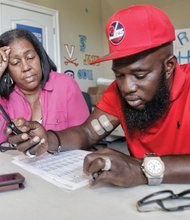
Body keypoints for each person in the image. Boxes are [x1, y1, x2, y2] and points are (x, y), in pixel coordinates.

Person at [5, 5, 190, 187]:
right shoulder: (118, 92)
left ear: (169, 67)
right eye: (119, 75)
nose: (127, 88)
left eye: (140, 75)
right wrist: (47, 138)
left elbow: (137, 169)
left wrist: (140, 169)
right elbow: (87, 132)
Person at [0, 28, 89, 145]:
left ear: (40, 56)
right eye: (16, 63)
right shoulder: (6, 96)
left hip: (62, 160)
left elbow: (85, 137)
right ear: (7, 70)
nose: (26, 67)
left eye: (30, 57)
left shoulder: (65, 84)